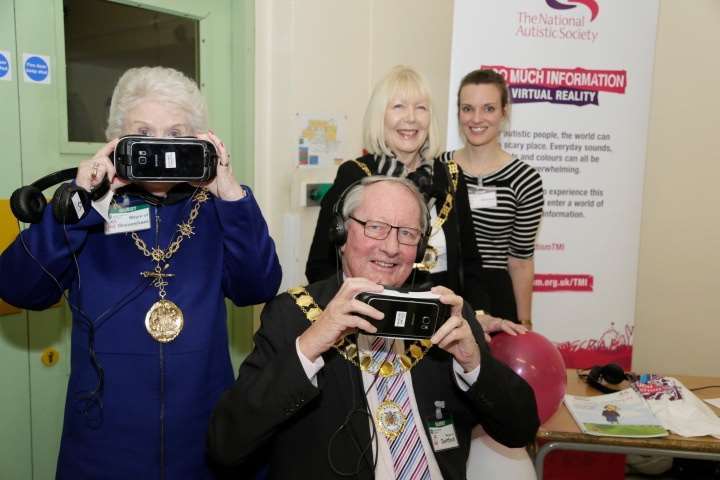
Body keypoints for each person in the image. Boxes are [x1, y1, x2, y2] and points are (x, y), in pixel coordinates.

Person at [0, 66, 281, 479]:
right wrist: (79, 205)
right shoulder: (87, 210)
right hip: (103, 441)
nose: (160, 146)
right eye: (143, 130)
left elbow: (258, 285)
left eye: (176, 133)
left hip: (204, 437)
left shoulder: (218, 207)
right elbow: (19, 287)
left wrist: (232, 194)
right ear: (117, 141)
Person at [207, 177, 539, 479]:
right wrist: (309, 346)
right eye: (376, 227)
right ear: (341, 234)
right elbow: (226, 444)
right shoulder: (293, 314)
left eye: (407, 234)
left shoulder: (445, 313)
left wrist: (474, 365)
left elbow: (521, 429)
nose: (392, 247)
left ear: (420, 248)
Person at [306, 65, 489, 313]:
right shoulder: (355, 174)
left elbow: (470, 263)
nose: (411, 118)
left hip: (442, 320)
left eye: (420, 108)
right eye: (398, 107)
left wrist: (477, 315)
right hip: (370, 315)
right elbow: (320, 264)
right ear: (380, 116)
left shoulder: (451, 176)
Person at [442, 69, 544, 329]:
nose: (476, 119)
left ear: (504, 111)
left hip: (495, 297)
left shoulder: (525, 178)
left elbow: (520, 260)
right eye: (467, 108)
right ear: (458, 113)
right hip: (444, 292)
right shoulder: (437, 169)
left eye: (488, 108)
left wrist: (525, 322)